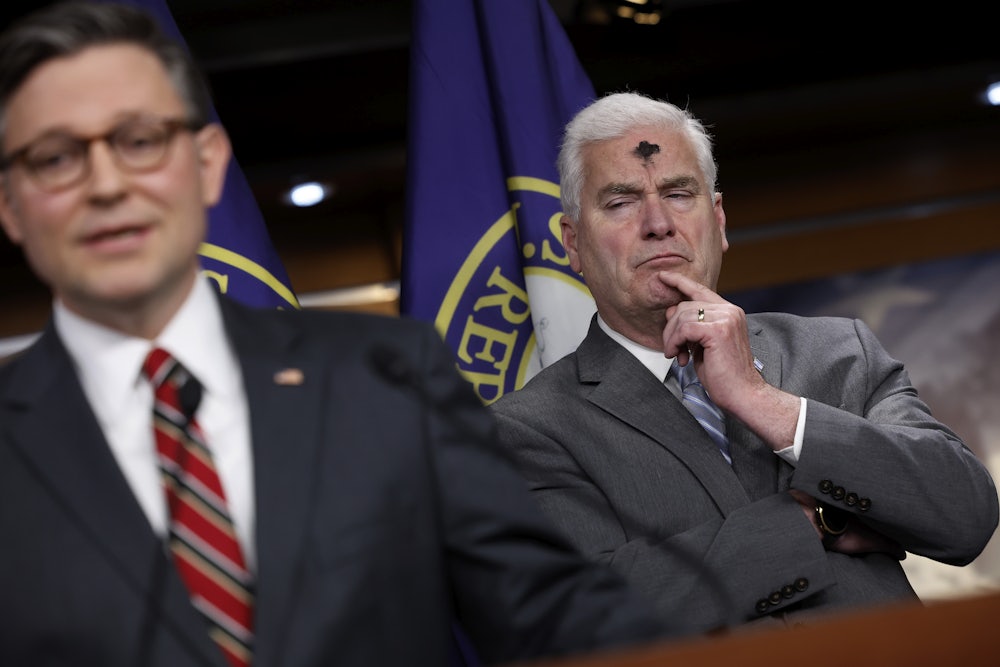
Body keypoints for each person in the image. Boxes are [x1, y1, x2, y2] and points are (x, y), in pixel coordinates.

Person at [0, 5, 667, 666]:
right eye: (55, 157)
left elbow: (554, 613)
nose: (106, 184)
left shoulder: (385, 380)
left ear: (206, 162)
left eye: (140, 141)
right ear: (10, 203)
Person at [489, 91, 1000, 636]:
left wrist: (761, 401)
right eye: (621, 202)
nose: (658, 223)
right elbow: (580, 615)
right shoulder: (527, 430)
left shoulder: (839, 351)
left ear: (718, 219)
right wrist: (817, 520)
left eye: (679, 194)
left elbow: (964, 513)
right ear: (572, 243)